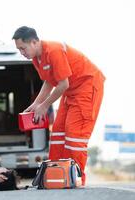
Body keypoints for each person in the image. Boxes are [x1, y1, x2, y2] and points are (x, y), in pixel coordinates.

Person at [12, 26, 105, 185]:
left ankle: (76, 177)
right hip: (71, 91)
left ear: (34, 42)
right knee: (58, 133)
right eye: (19, 49)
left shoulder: (54, 51)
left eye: (23, 48)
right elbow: (49, 81)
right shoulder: (36, 58)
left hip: (87, 88)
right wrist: (36, 104)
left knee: (74, 134)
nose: (22, 52)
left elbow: (62, 84)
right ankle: (57, 175)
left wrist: (44, 106)